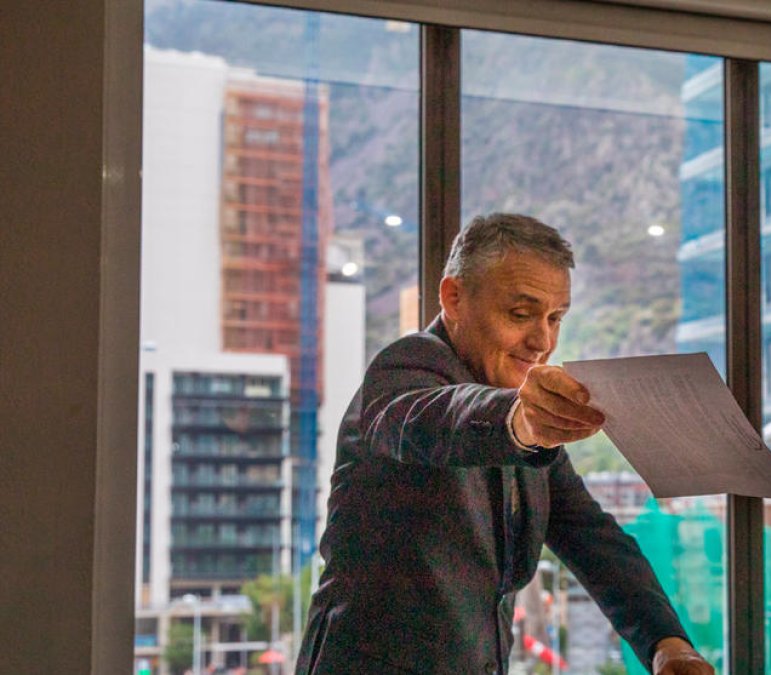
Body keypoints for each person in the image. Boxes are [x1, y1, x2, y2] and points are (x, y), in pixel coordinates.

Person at [296, 213, 714, 675]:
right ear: (453, 297)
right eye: (521, 314)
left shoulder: (526, 419)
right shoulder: (405, 368)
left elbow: (593, 538)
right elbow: (435, 419)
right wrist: (520, 421)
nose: (543, 340)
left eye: (556, 318)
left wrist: (667, 644)